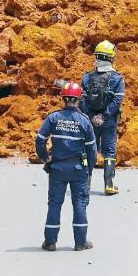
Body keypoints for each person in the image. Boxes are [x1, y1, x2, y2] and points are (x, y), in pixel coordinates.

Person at [36, 81, 98, 252]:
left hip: (57, 169)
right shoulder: (84, 121)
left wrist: (44, 158)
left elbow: (40, 139)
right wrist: (90, 170)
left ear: (63, 99)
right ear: (78, 100)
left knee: (55, 204)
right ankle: (80, 242)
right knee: (79, 203)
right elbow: (92, 149)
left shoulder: (53, 118)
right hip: (78, 169)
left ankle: (50, 242)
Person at [81, 40, 126, 196]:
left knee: (88, 150)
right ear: (112, 58)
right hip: (109, 121)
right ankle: (109, 185)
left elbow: (82, 101)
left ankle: (85, 185)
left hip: (90, 122)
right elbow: (117, 101)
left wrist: (92, 116)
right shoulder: (117, 79)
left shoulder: (87, 77)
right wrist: (104, 115)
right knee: (109, 151)